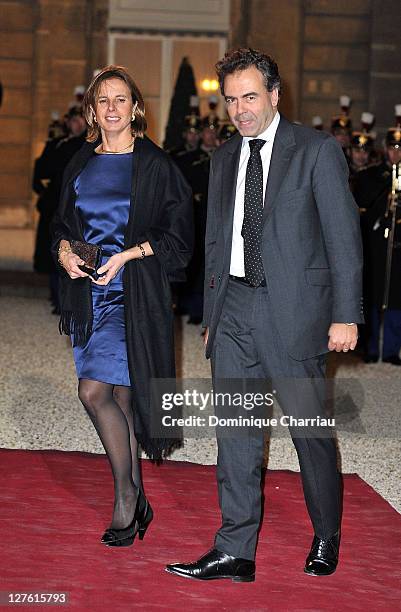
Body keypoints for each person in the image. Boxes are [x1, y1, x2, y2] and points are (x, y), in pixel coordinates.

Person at [166, 48, 363, 582]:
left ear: (276, 95)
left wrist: (346, 315)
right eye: (230, 100)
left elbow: (344, 239)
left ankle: (327, 533)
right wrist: (212, 313)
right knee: (236, 432)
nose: (240, 109)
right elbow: (215, 240)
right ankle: (236, 549)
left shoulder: (316, 151)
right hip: (234, 310)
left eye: (249, 96)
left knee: (309, 433)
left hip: (295, 313)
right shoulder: (225, 156)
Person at [51, 65, 193, 547]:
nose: (112, 108)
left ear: (135, 108)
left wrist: (128, 255)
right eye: (103, 101)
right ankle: (137, 496)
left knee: (92, 393)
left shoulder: (155, 165)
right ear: (92, 110)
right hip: (87, 295)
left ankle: (127, 498)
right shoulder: (80, 162)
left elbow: (179, 238)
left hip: (131, 294)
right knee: (121, 398)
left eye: (121, 99)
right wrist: (65, 252)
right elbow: (60, 225)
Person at [353, 124, 401, 364]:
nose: (396, 153)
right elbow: (363, 207)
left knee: (396, 296)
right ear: (385, 149)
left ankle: (392, 348)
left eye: (400, 148)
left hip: (398, 246)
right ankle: (371, 347)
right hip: (375, 246)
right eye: (393, 147)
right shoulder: (371, 176)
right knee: (372, 294)